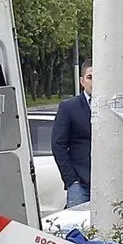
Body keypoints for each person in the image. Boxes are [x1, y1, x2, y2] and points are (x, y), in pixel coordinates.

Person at [51, 63, 94, 207]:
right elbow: (58, 145)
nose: (94, 82)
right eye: (90, 77)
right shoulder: (69, 107)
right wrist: (71, 180)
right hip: (80, 184)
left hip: (106, 183)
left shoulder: (110, 106)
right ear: (82, 81)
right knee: (77, 225)